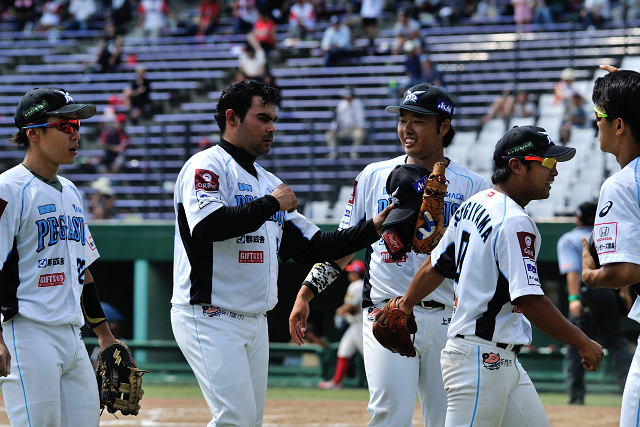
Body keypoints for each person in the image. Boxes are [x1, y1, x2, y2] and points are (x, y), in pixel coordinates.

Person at [170, 79, 391, 427]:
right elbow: (208, 226)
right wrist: (272, 203)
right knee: (235, 419)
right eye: (262, 118)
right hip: (209, 313)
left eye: (274, 118)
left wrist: (372, 228)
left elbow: (313, 246)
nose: (272, 127)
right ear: (232, 118)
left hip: (255, 319)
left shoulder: (266, 180)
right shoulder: (206, 166)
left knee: (248, 421)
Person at [290, 83, 491, 427]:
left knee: (447, 420)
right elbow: (344, 245)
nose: (406, 128)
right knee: (388, 415)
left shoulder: (473, 186)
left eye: (419, 120)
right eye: (403, 119)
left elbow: (480, 261)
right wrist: (306, 293)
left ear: (444, 126)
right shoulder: (373, 176)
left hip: (449, 319)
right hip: (386, 312)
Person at [382, 125, 604, 426]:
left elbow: (436, 266)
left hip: (500, 360)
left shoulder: (475, 203)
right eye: (548, 163)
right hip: (479, 360)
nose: (555, 172)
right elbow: (529, 300)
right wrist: (582, 341)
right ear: (516, 166)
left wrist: (405, 304)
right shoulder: (514, 220)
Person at [0, 87, 121, 426]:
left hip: (72, 334)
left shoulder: (71, 192)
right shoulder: (7, 189)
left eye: (78, 126)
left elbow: (82, 271)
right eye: (66, 125)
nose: (76, 133)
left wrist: (104, 335)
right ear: (34, 133)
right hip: (27, 333)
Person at [581, 68, 640, 427]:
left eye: (600, 116)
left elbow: (626, 272)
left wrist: (590, 276)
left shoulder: (621, 184)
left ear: (619, 125)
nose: (596, 124)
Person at [558, 201, 631, 404]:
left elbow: (572, 272)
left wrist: (573, 299)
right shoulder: (604, 234)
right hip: (609, 293)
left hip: (584, 294)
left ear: (579, 217)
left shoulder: (569, 239)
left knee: (575, 345)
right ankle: (630, 394)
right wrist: (624, 291)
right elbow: (619, 264)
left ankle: (576, 399)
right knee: (617, 343)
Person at [318, 260, 365, 390]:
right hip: (354, 325)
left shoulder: (357, 285)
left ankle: (382, 382)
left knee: (368, 355)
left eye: (352, 272)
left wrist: (340, 312)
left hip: (360, 325)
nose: (349, 274)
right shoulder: (359, 285)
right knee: (343, 351)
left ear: (358, 273)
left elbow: (351, 307)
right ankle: (336, 382)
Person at [325, 86, 366, 160]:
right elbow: (337, 118)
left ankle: (354, 152)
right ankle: (333, 152)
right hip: (344, 129)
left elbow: (361, 117)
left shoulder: (358, 103)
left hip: (355, 128)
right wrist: (332, 129)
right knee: (329, 135)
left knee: (359, 134)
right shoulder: (341, 104)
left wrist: (361, 127)